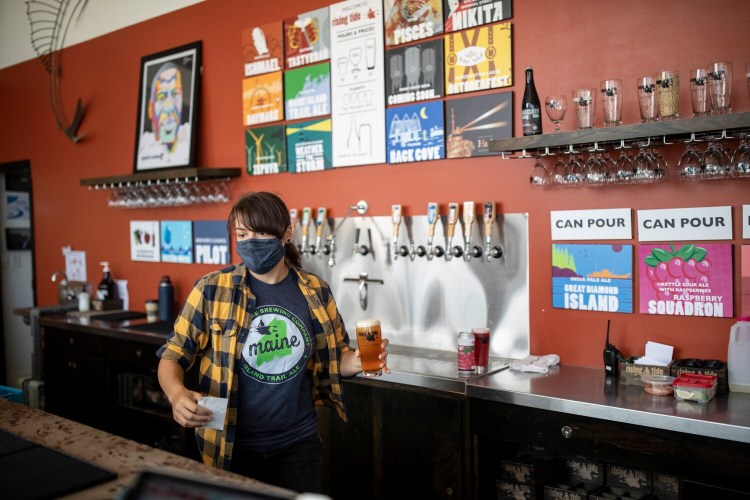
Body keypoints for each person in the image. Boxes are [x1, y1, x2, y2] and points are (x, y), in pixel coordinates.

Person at [157, 191, 390, 493]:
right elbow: (172, 355)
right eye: (242, 233)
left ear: (286, 234)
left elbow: (338, 356)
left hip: (297, 444)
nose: (251, 241)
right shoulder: (212, 289)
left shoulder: (314, 290)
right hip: (230, 444)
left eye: (261, 232)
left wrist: (358, 361)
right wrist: (176, 395)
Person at [148, 62, 183, 154]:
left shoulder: (186, 142)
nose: (169, 107)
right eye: (161, 97)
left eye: (175, 94)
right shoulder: (144, 150)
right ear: (150, 109)